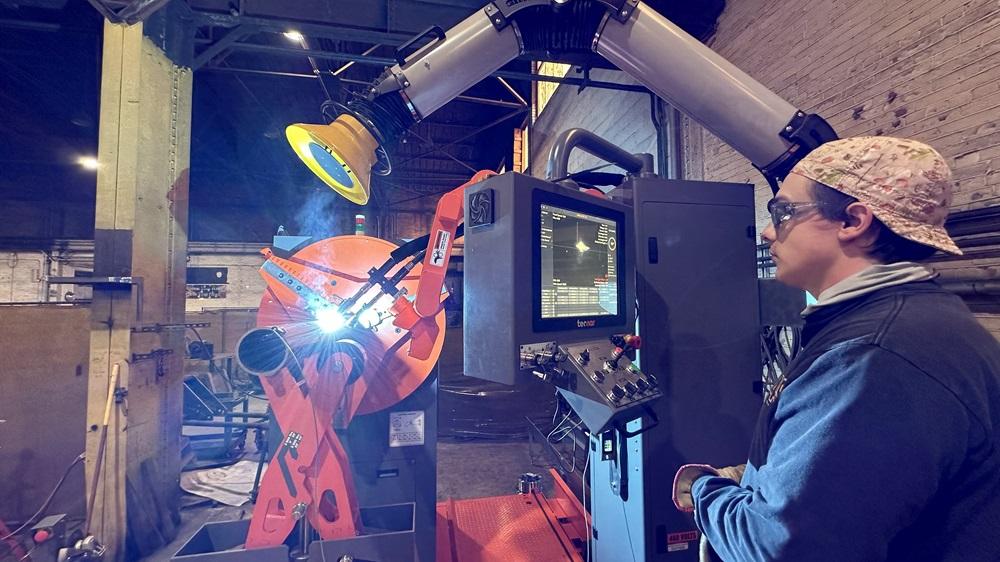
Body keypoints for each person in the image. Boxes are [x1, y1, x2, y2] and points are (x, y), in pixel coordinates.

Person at [671, 136, 1000, 561]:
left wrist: (703, 490)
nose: (770, 230)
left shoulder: (876, 357)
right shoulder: (909, 320)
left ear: (853, 221)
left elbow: (781, 548)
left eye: (783, 211)